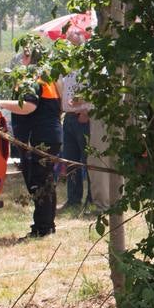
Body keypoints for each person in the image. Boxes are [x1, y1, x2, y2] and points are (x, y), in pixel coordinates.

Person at [0, 42, 62, 238]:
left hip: (39, 138)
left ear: (30, 59)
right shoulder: (50, 78)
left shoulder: (34, 78)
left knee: (38, 181)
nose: (21, 61)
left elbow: (29, 106)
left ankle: (41, 228)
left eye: (24, 56)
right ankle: (47, 225)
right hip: (51, 135)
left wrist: (1, 103)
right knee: (47, 180)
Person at [59, 27, 92, 210]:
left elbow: (94, 90)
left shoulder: (89, 64)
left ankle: (92, 199)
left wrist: (86, 112)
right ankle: (73, 199)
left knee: (87, 160)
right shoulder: (67, 64)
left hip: (83, 116)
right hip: (69, 116)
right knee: (70, 159)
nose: (69, 46)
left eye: (72, 42)